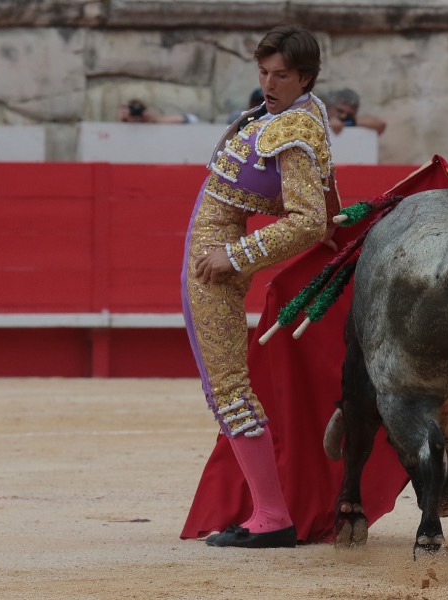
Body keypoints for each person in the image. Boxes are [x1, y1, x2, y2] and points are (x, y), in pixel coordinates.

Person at [181, 24, 341, 549]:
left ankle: (272, 516)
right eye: (264, 73)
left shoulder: (291, 129)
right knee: (226, 388)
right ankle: (267, 510)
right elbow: (327, 203)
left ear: (306, 78)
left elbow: (308, 221)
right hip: (216, 258)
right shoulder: (296, 116)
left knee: (228, 389)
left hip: (213, 266)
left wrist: (235, 256)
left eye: (281, 76)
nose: (269, 84)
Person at [119, 99, 199, 124]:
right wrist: (124, 120)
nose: (136, 116)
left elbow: (192, 119)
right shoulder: (118, 129)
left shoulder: (153, 122)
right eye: (133, 112)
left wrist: (155, 120)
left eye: (139, 112)